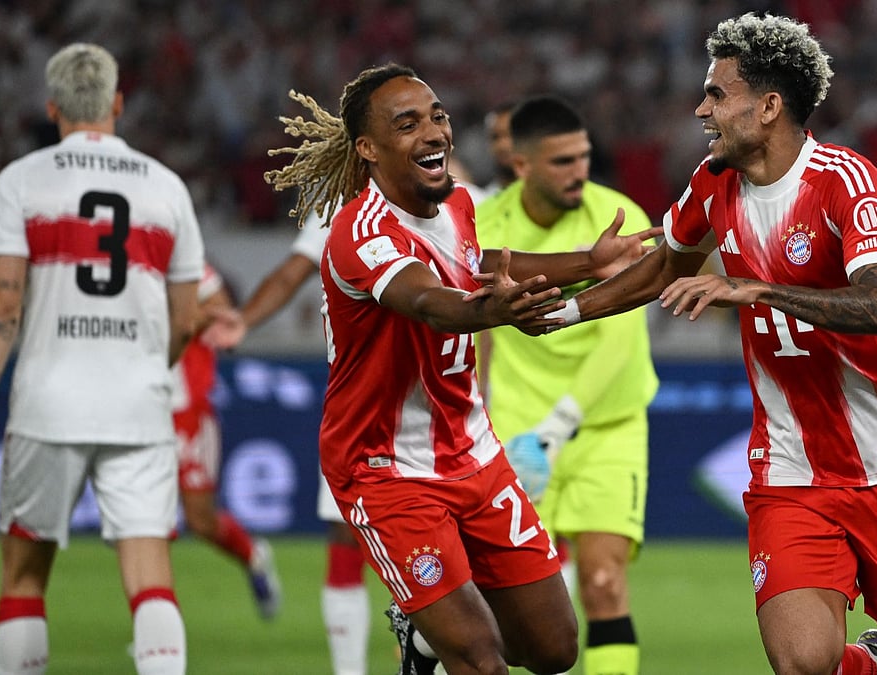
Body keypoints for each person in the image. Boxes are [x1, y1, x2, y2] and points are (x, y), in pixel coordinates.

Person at [527, 14, 877, 674]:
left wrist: (760, 291)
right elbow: (663, 269)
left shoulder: (845, 182)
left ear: (768, 106)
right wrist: (564, 311)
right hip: (790, 468)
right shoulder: (713, 184)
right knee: (802, 660)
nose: (700, 108)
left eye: (717, 94)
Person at [261, 63, 658, 675]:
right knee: (478, 658)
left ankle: (422, 640)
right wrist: (492, 310)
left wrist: (589, 260)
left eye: (438, 116)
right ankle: (433, 643)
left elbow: (485, 264)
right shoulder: (361, 232)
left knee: (553, 649)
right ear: (367, 148)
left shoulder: (458, 207)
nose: (434, 132)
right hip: (386, 468)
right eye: (408, 123)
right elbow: (428, 301)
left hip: (472, 452)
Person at [0, 43, 202, 675]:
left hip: (47, 401)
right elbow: (188, 319)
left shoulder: (23, 180)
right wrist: (148, 364)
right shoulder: (166, 187)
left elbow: (4, 299)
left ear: (51, 107)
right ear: (117, 103)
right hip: (138, 406)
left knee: (25, 576)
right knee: (150, 578)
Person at [474, 94, 658, 675]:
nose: (579, 169)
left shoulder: (618, 218)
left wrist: (558, 427)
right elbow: (476, 333)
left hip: (607, 425)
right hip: (518, 426)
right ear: (521, 165)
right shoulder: (486, 226)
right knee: (523, 603)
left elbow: (618, 340)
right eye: (561, 162)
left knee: (603, 582)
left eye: (582, 156)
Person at [203, 217, 377, 675]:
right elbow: (290, 274)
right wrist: (243, 319)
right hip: (358, 407)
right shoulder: (338, 208)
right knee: (345, 535)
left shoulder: (460, 201)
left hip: (435, 406)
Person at [172, 262, 283, 621]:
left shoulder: (185, 261)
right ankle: (153, 618)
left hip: (188, 406)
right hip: (140, 406)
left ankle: (253, 556)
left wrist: (174, 315)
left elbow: (220, 309)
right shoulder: (124, 263)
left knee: (200, 520)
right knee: (145, 521)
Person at [478, 101, 517, 198]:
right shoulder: (481, 201)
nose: (502, 145)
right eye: (495, 137)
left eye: (511, 135)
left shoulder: (552, 198)